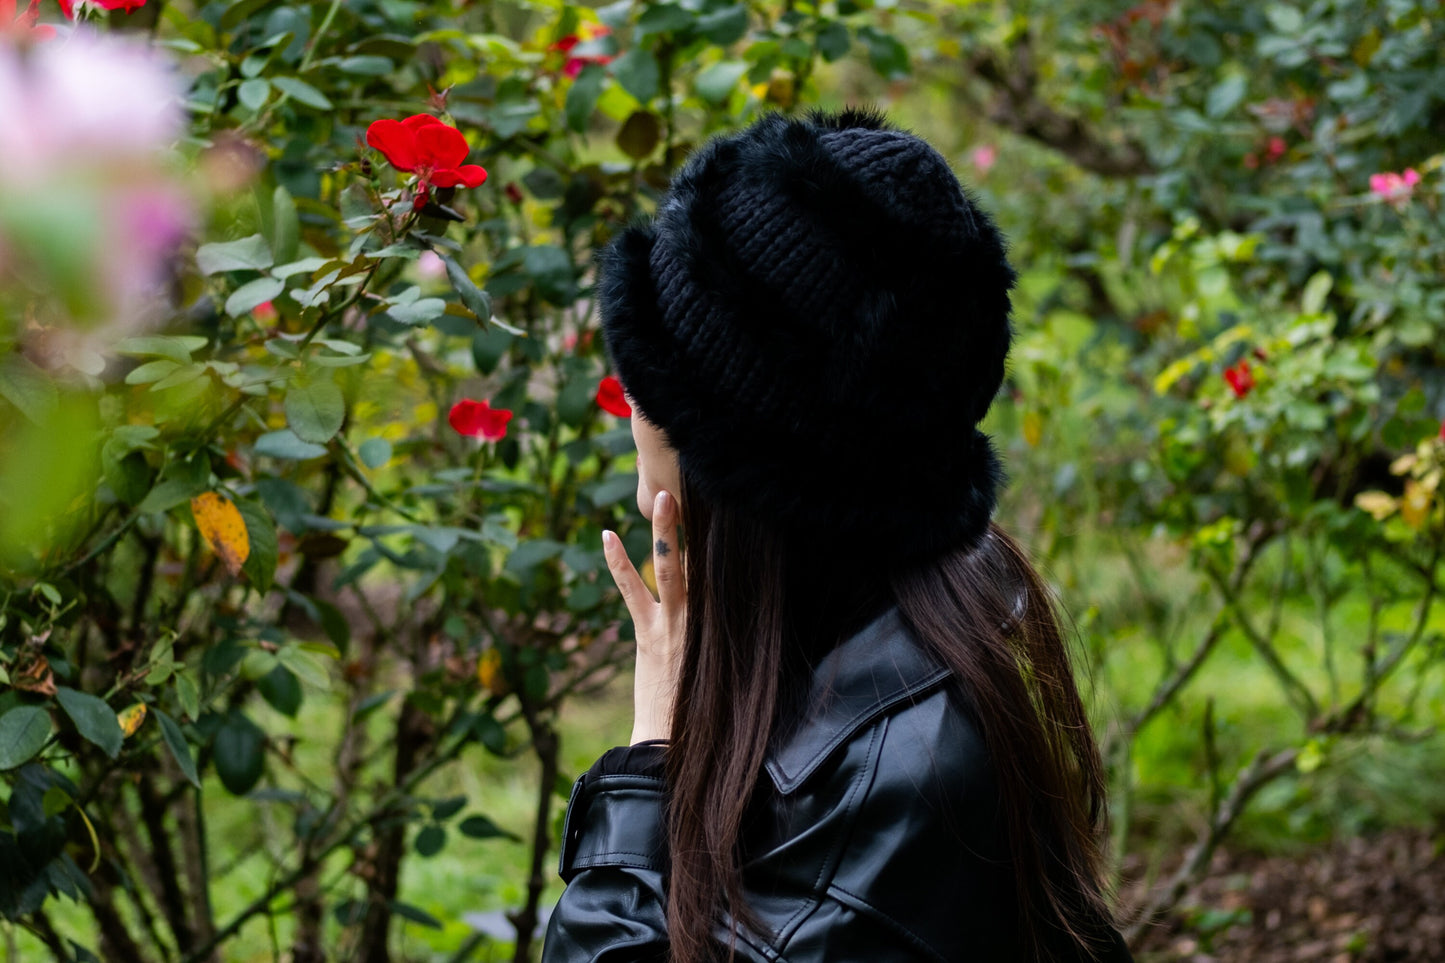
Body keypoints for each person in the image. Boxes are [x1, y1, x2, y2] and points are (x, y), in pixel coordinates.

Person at [540, 107, 1133, 963]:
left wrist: (649, 757)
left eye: (650, 382)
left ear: (742, 462)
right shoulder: (883, 648)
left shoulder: (906, 784)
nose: (630, 405)